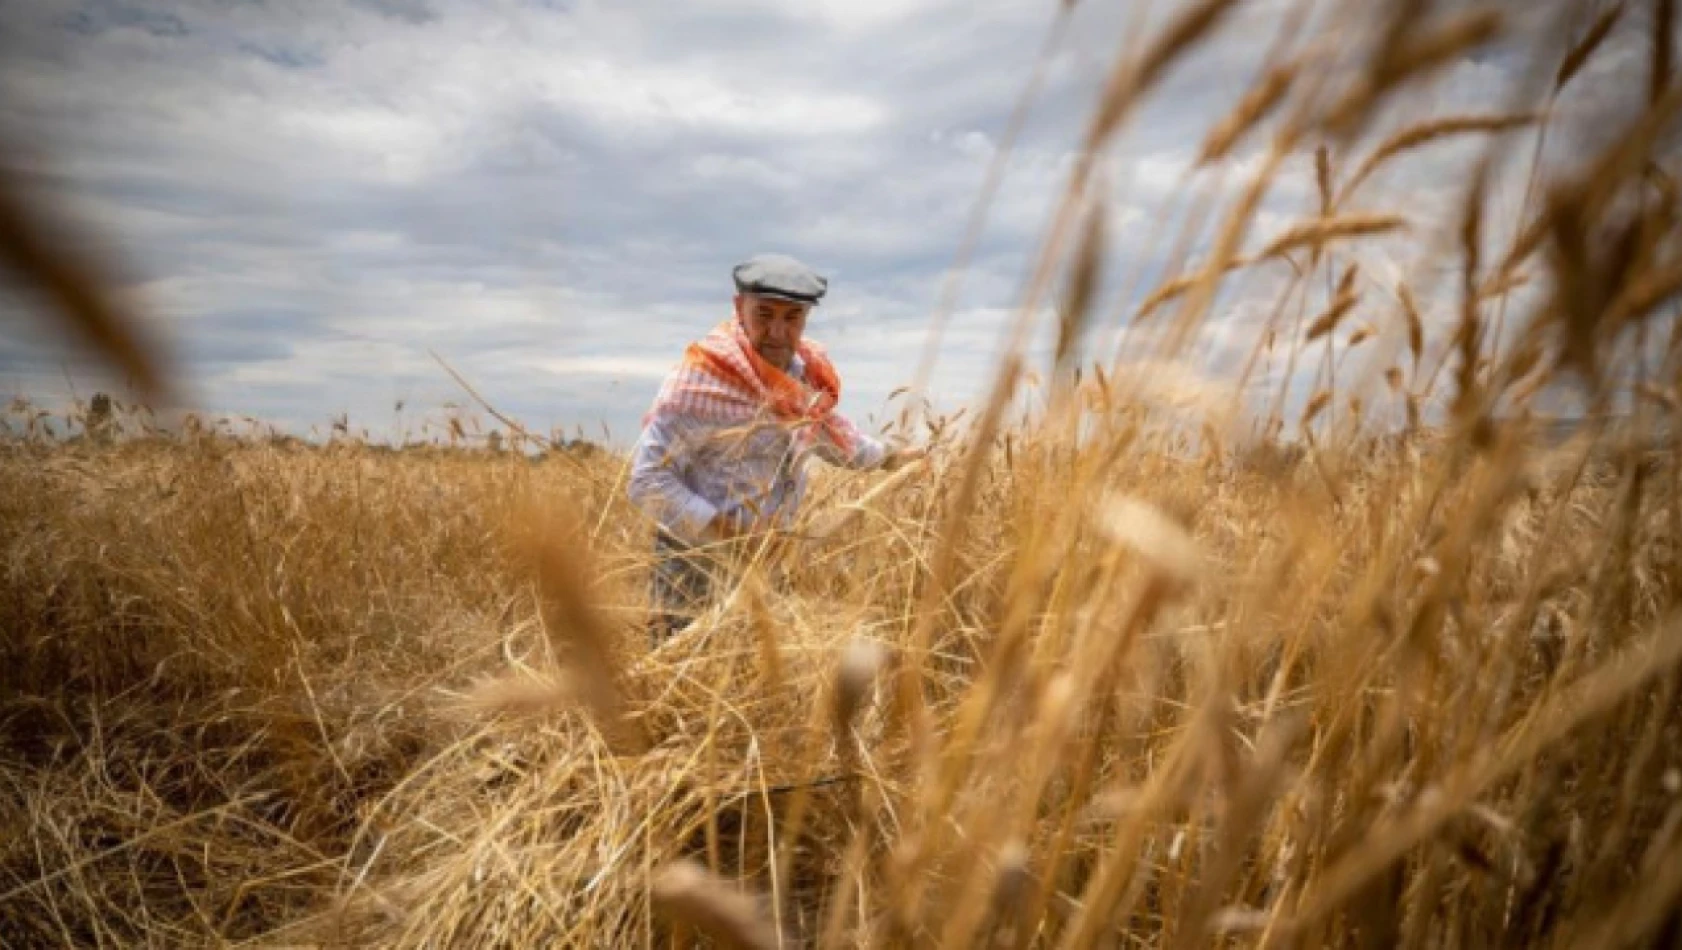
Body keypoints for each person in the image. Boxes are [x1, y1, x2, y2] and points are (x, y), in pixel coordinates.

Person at [628, 253, 925, 643]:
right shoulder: (700, 379)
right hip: (693, 568)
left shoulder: (800, 375)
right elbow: (646, 481)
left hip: (769, 564)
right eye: (764, 315)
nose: (777, 332)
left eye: (792, 318)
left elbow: (832, 436)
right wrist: (729, 538)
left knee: (754, 686)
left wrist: (892, 458)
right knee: (679, 681)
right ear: (739, 308)